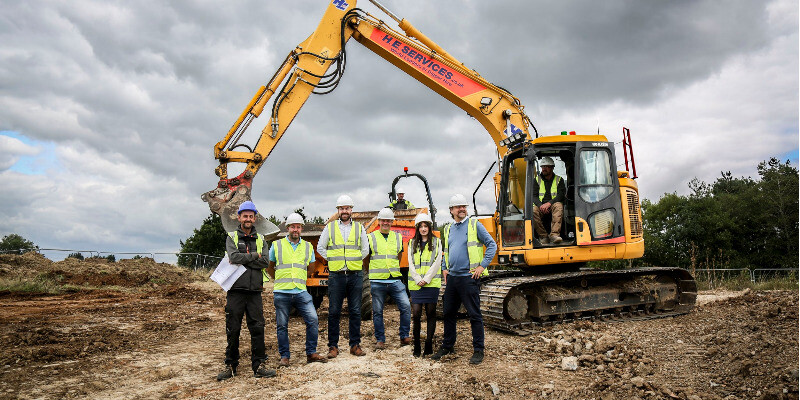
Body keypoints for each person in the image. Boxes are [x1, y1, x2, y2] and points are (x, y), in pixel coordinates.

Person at [431, 194, 497, 365]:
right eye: (458, 206)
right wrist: (445, 268)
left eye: (464, 206)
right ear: (451, 210)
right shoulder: (448, 229)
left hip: (469, 278)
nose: (462, 209)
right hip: (453, 278)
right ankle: (448, 346)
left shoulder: (475, 225)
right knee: (448, 314)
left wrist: (482, 266)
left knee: (474, 314)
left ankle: (478, 350)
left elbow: (492, 245)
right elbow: (446, 249)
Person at [217, 201, 276, 381]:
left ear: (255, 218)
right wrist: (254, 256)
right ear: (239, 217)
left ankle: (259, 365)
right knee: (233, 329)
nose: (248, 219)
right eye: (245, 216)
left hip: (255, 291)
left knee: (257, 329)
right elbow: (233, 257)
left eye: (251, 216)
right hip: (235, 291)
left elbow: (265, 262)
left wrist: (247, 259)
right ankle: (230, 365)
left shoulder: (261, 240)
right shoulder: (232, 237)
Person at [266, 213, 328, 367]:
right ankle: (285, 357)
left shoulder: (307, 246)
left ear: (301, 228)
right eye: (293, 226)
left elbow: (311, 268)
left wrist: (299, 278)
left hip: (300, 291)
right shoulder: (277, 245)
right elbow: (270, 267)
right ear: (288, 228)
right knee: (282, 325)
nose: (295, 229)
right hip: (282, 292)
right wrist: (280, 279)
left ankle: (311, 353)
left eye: (298, 227)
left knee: (313, 320)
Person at [317, 194, 370, 358]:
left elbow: (365, 249)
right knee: (333, 311)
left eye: (347, 208)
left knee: (355, 311)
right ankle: (333, 346)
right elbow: (320, 248)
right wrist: (334, 260)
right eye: (341, 208)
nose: (344, 211)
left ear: (351, 210)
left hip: (355, 274)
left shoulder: (359, 228)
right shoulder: (330, 228)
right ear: (338, 211)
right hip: (336, 275)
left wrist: (353, 261)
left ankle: (355, 345)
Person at [367, 207, 412, 350]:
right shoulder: (371, 237)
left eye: (388, 220)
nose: (386, 222)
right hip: (377, 280)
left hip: (395, 279)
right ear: (379, 221)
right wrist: (373, 272)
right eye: (383, 220)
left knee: (406, 306)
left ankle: (404, 335)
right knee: (378, 311)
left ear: (392, 222)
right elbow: (366, 259)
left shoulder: (398, 237)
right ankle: (380, 339)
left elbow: (399, 256)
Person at [407, 212, 442, 357]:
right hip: (416, 285)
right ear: (417, 228)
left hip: (431, 283)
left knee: (430, 313)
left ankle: (428, 344)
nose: (423, 229)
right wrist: (417, 278)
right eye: (420, 226)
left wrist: (426, 279)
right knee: (416, 314)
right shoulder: (411, 242)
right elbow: (410, 263)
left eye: (425, 226)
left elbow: (437, 262)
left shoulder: (437, 242)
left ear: (429, 227)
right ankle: (416, 345)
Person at [532, 156, 566, 244]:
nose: (544, 169)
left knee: (559, 206)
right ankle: (543, 236)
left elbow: (561, 195)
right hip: (540, 206)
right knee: (533, 211)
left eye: (546, 166)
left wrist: (549, 204)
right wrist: (541, 206)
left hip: (552, 204)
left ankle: (554, 235)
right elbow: (534, 196)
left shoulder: (559, 180)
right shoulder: (536, 180)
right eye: (543, 167)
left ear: (552, 167)